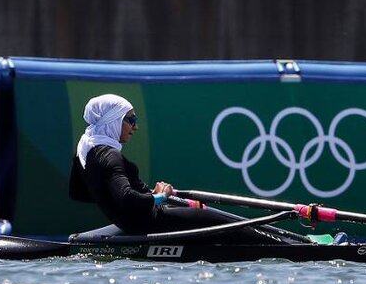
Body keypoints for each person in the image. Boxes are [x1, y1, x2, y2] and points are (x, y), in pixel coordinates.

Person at [69, 94, 284, 243]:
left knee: (210, 216)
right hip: (150, 221)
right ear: (113, 120)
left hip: (135, 222)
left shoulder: (86, 149)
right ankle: (288, 247)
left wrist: (142, 196)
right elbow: (127, 199)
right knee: (229, 225)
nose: (135, 126)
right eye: (130, 119)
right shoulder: (109, 155)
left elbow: (78, 193)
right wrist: (159, 197)